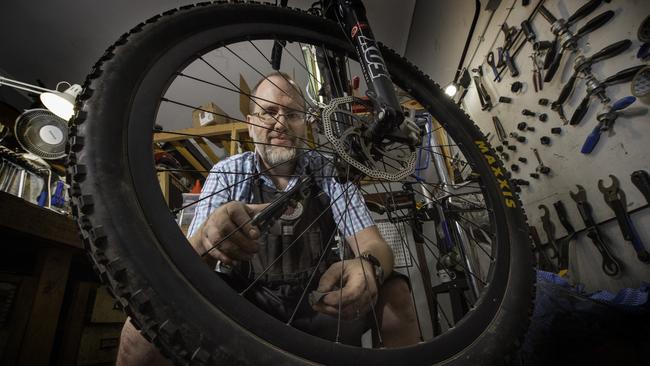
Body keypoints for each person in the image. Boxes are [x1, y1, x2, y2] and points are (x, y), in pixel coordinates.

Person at [116, 72, 419, 365]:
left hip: (320, 304)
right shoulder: (228, 172)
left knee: (395, 290)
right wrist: (208, 238)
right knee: (144, 321)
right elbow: (188, 265)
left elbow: (373, 243)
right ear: (250, 125)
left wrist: (370, 267)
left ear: (306, 125)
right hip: (248, 305)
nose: (280, 124)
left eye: (292, 114)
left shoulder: (328, 171)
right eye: (268, 112)